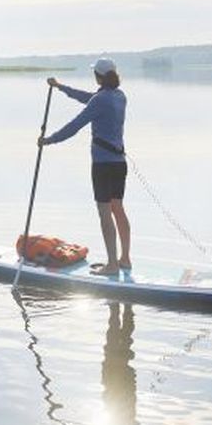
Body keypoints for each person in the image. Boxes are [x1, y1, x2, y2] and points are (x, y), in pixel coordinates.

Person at [38, 57, 131, 276]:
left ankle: (112, 265)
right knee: (118, 208)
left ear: (98, 76)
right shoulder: (119, 96)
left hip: (103, 164)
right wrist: (61, 87)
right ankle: (124, 259)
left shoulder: (100, 100)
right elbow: (87, 98)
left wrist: (49, 140)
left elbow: (74, 126)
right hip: (120, 163)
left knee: (104, 211)